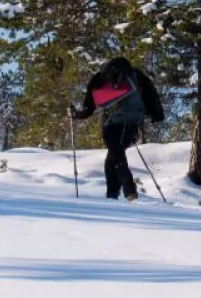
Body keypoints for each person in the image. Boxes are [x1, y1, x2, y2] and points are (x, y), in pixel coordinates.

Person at [71, 56, 165, 201]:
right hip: (131, 124)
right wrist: (156, 114)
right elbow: (151, 95)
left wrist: (77, 114)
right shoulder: (136, 76)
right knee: (113, 156)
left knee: (115, 153)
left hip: (110, 124)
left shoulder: (99, 79)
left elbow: (88, 107)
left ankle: (126, 189)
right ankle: (113, 195)